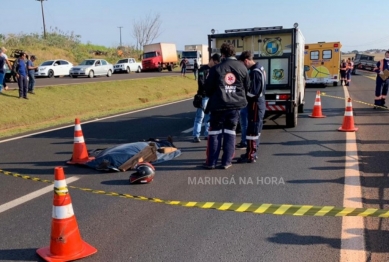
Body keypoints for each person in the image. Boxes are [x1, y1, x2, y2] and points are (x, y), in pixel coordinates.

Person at [203, 43, 249, 169]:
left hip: (218, 105)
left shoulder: (216, 69)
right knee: (230, 132)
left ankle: (211, 162)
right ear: (234, 53)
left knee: (215, 134)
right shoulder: (242, 68)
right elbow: (247, 87)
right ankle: (227, 162)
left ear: (222, 54)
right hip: (235, 106)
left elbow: (207, 88)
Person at [237, 51, 267, 163]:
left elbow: (253, 92)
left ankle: (251, 155)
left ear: (246, 61)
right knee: (255, 130)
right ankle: (252, 152)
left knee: (252, 131)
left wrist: (242, 94)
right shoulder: (260, 68)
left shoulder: (254, 72)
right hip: (259, 103)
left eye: (242, 64)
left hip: (255, 104)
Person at [192, 54, 221, 143]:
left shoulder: (214, 70)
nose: (215, 64)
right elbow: (201, 82)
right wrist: (208, 89)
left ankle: (207, 134)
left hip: (211, 96)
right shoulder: (202, 69)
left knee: (208, 116)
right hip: (203, 96)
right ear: (211, 60)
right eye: (215, 63)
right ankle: (196, 135)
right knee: (200, 116)